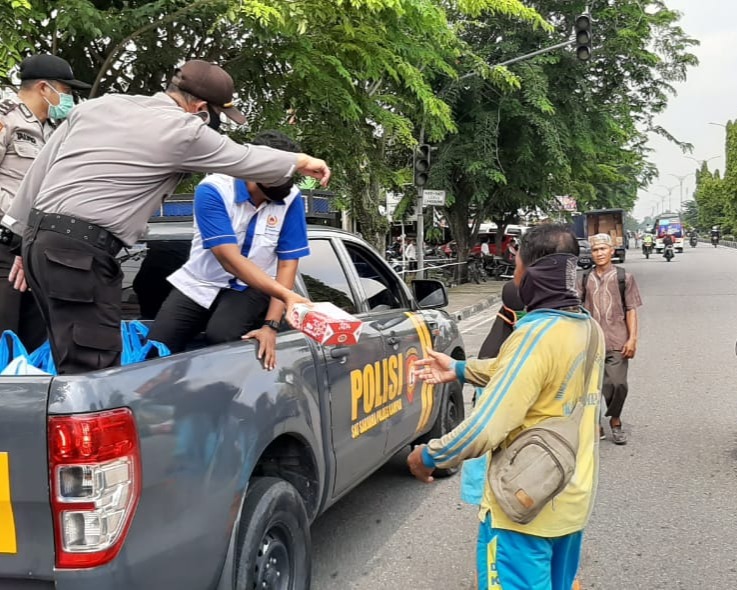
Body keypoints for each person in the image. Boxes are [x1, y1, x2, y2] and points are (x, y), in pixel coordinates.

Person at [1, 59, 330, 375]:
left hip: (40, 244)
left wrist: (23, 242)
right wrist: (300, 161)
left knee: (60, 357)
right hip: (80, 254)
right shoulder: (184, 130)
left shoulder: (97, 106)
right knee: (95, 370)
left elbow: (40, 170)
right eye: (217, 116)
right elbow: (242, 158)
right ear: (202, 108)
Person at [407, 223, 604, 590]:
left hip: (524, 507)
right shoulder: (588, 328)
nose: (514, 275)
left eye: (517, 264)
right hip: (572, 499)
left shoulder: (534, 333)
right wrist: (460, 369)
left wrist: (429, 456)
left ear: (531, 272)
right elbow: (533, 374)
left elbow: (485, 428)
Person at [148, 130, 309, 369]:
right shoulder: (214, 190)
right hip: (201, 281)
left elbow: (287, 263)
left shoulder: (291, 197)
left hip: (254, 286)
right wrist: (288, 297)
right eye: (278, 174)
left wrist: (270, 326)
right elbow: (229, 259)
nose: (285, 184)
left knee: (222, 338)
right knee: (155, 350)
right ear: (257, 167)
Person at [0, 54, 90, 350]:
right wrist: (11, 218)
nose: (69, 99)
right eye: (66, 91)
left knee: (36, 339)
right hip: (3, 245)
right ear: (43, 88)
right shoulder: (5, 118)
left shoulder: (55, 131)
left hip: (34, 249)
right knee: (4, 335)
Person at [578, 233, 642, 444]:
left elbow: (631, 309)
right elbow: (577, 310)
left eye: (603, 249)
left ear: (611, 251)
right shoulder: (585, 278)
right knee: (592, 386)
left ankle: (615, 419)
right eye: (595, 250)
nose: (599, 254)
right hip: (591, 341)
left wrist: (632, 339)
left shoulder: (624, 277)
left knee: (617, 383)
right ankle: (596, 424)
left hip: (617, 340)